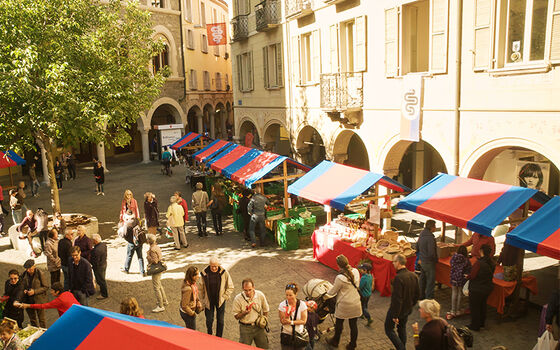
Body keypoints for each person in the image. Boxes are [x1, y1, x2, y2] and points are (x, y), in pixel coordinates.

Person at [325, 255, 362, 349]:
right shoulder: (356, 271)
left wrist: (326, 291)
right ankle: (353, 344)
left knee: (339, 323)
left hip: (344, 304)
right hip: (355, 302)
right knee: (353, 325)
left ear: (338, 265)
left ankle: (335, 341)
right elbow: (357, 284)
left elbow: (332, 292)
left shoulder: (340, 277)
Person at [385, 254, 420, 350]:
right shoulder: (413, 275)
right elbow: (417, 294)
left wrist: (395, 315)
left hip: (397, 310)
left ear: (398, 263)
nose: (393, 264)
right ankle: (402, 347)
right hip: (407, 309)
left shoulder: (398, 278)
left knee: (388, 329)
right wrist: (411, 305)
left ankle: (401, 348)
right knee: (401, 328)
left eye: (394, 262)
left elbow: (397, 298)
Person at [199, 257, 235, 337]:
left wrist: (225, 296)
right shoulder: (204, 273)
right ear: (209, 265)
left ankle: (219, 337)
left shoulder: (224, 273)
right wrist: (202, 300)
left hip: (220, 300)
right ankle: (209, 335)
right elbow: (200, 289)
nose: (214, 268)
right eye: (212, 266)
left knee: (220, 321)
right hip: (209, 301)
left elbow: (230, 286)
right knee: (209, 320)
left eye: (216, 266)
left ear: (218, 265)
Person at [232, 278, 270, 349]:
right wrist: (244, 313)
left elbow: (266, 309)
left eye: (250, 290)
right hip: (245, 328)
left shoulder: (260, 295)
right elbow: (236, 316)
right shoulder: (238, 299)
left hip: (258, 327)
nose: (248, 292)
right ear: (242, 289)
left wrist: (264, 319)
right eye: (245, 290)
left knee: (264, 347)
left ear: (253, 287)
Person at [466, 244, 495, 331]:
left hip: (477, 288)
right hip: (487, 287)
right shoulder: (492, 263)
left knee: (475, 307)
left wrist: (467, 276)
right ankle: (482, 323)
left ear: (481, 251)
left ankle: (475, 325)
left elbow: (472, 275)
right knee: (483, 306)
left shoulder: (479, 263)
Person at [15, 282, 79, 317]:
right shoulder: (68, 293)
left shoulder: (59, 300)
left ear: (57, 292)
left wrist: (28, 305)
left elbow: (43, 306)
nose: (51, 292)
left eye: (52, 291)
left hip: (70, 318)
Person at [278, 282, 308, 350]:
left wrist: (291, 322)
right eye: (287, 295)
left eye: (290, 295)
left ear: (296, 294)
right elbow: (282, 321)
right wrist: (287, 316)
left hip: (299, 335)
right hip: (286, 335)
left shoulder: (302, 305)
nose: (288, 297)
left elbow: (303, 321)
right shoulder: (282, 305)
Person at [20, 259, 48, 328]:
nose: (28, 270)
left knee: (41, 319)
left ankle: (44, 332)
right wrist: (24, 290)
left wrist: (34, 291)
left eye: (29, 268)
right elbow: (21, 285)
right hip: (28, 300)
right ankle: (35, 332)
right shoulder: (24, 274)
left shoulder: (40, 274)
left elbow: (45, 287)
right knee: (32, 319)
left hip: (39, 300)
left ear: (34, 266)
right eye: (26, 269)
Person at [146, 234, 168, 313]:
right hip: (160, 267)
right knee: (159, 285)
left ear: (149, 241)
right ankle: (164, 300)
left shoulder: (152, 249)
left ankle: (160, 305)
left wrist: (148, 256)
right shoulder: (157, 246)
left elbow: (155, 261)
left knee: (156, 287)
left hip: (156, 269)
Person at [448, 245, 471, 319]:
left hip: (454, 277)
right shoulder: (466, 260)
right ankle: (458, 310)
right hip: (461, 278)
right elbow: (469, 269)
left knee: (454, 293)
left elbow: (450, 264)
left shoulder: (453, 258)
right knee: (460, 294)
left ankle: (452, 310)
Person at [417, 219, 438, 300]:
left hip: (422, 260)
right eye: (435, 226)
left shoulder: (421, 234)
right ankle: (429, 298)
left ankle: (420, 296)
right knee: (430, 281)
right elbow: (431, 253)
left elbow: (417, 247)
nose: (435, 228)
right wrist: (434, 259)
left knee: (422, 279)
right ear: (431, 227)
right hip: (429, 262)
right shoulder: (430, 238)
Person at [91, 234, 108, 300]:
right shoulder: (103, 245)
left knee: (101, 280)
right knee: (102, 279)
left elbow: (95, 262)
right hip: (104, 264)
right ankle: (102, 290)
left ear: (95, 241)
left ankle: (104, 294)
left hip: (99, 267)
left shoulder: (96, 250)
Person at [357, 263, 374, 327]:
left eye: (361, 269)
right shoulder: (370, 276)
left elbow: (360, 287)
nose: (360, 270)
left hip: (363, 294)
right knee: (365, 305)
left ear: (365, 270)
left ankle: (369, 318)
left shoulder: (364, 278)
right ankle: (361, 315)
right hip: (368, 294)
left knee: (363, 307)